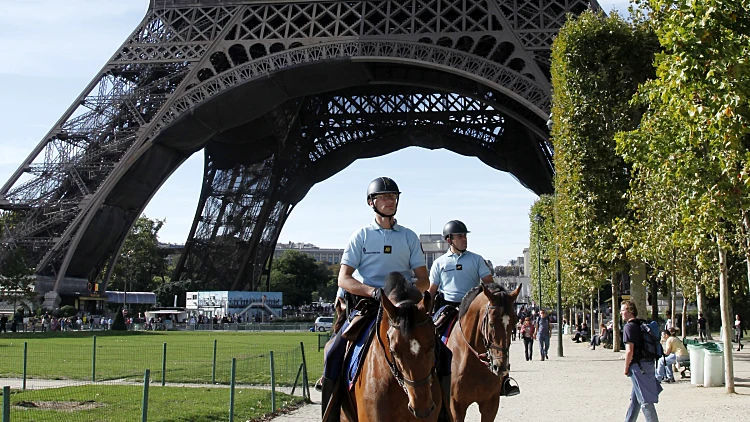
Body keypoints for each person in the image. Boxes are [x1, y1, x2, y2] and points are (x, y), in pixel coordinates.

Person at [317, 177, 430, 420]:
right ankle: (330, 413)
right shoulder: (361, 236)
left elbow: (423, 279)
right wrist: (373, 292)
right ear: (372, 202)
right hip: (370, 304)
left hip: (401, 306)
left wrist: (404, 294)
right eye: (385, 197)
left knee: (442, 352)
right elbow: (344, 279)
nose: (390, 201)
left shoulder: (409, 236)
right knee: (333, 351)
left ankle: (443, 414)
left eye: (393, 197)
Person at [427, 220, 494, 308]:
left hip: (472, 307)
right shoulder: (438, 263)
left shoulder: (477, 259)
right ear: (449, 240)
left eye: (465, 236)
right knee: (437, 322)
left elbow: (491, 286)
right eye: (460, 236)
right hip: (447, 307)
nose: (464, 239)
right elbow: (432, 291)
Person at [621, 300, 662, 422]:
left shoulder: (629, 327)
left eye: (623, 311)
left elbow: (629, 351)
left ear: (629, 312)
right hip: (647, 363)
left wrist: (626, 367)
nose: (621, 313)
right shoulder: (640, 324)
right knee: (635, 399)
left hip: (638, 367)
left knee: (645, 401)